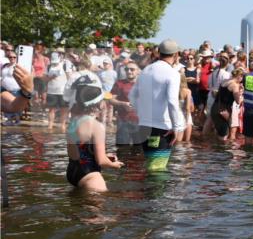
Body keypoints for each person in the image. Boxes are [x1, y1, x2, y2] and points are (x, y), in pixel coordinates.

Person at [130, 39, 185, 172]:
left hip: (144, 126)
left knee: (151, 165)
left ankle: (148, 192)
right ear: (176, 54)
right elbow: (172, 101)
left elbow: (132, 95)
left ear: (159, 52)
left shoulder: (146, 70)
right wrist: (176, 127)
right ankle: (156, 192)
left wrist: (141, 113)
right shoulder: (173, 73)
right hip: (162, 128)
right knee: (157, 170)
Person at [64, 80, 123, 191]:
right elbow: (101, 161)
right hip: (90, 175)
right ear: (99, 104)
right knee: (97, 206)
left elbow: (77, 151)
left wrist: (105, 155)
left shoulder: (73, 122)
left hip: (72, 172)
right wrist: (114, 165)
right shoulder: (97, 126)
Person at [108, 61, 141, 145]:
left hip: (140, 121)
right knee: (122, 149)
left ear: (138, 71)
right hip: (123, 121)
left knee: (139, 150)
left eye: (132, 69)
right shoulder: (119, 83)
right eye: (126, 69)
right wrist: (123, 103)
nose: (129, 71)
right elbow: (110, 99)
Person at [210, 68, 243, 141]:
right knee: (224, 135)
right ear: (239, 76)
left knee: (218, 133)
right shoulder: (235, 85)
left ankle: (215, 150)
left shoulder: (224, 81)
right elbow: (238, 101)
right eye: (242, 77)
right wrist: (242, 96)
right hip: (224, 111)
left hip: (215, 108)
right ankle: (222, 151)